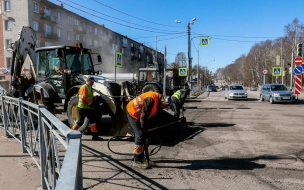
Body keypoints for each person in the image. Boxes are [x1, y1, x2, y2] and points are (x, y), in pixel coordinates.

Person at [126, 92, 166, 169]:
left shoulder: (158, 101)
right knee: (140, 135)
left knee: (144, 135)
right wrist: (143, 128)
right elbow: (144, 115)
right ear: (163, 101)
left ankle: (141, 156)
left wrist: (146, 129)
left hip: (139, 115)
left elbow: (148, 115)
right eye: (164, 106)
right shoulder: (150, 99)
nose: (163, 108)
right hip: (132, 112)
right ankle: (137, 159)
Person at [72, 76, 103, 141]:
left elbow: (88, 97)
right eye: (92, 81)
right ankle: (71, 133)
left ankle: (95, 136)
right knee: (80, 122)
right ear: (88, 81)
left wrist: (95, 98)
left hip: (88, 108)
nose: (93, 83)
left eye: (93, 82)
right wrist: (90, 104)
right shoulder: (85, 87)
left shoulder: (89, 87)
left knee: (92, 121)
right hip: (83, 107)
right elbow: (83, 98)